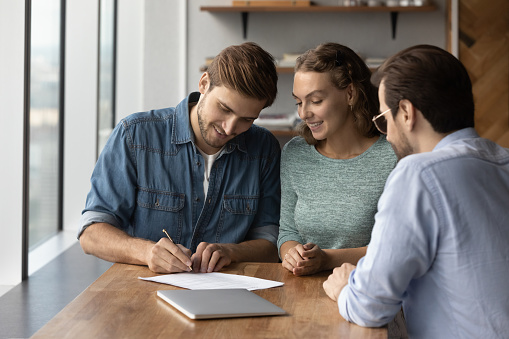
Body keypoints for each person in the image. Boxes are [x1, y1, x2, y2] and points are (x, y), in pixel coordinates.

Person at [323, 45, 509, 338]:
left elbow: (370, 306)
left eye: (384, 118)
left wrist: (345, 287)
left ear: (406, 113)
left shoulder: (418, 174)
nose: (386, 132)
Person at [78, 42, 281, 274]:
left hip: (230, 293)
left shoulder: (264, 149)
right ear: (204, 83)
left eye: (247, 119)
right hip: (143, 294)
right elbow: (91, 233)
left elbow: (270, 242)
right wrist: (146, 252)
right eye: (224, 109)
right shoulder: (134, 135)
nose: (230, 127)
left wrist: (233, 252)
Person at [277, 42, 397, 276]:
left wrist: (326, 259)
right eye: (299, 102)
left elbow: (396, 247)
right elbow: (288, 231)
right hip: (302, 292)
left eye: (316, 101)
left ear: (350, 93)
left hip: (368, 293)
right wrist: (292, 254)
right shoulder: (295, 153)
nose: (303, 113)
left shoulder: (392, 156)